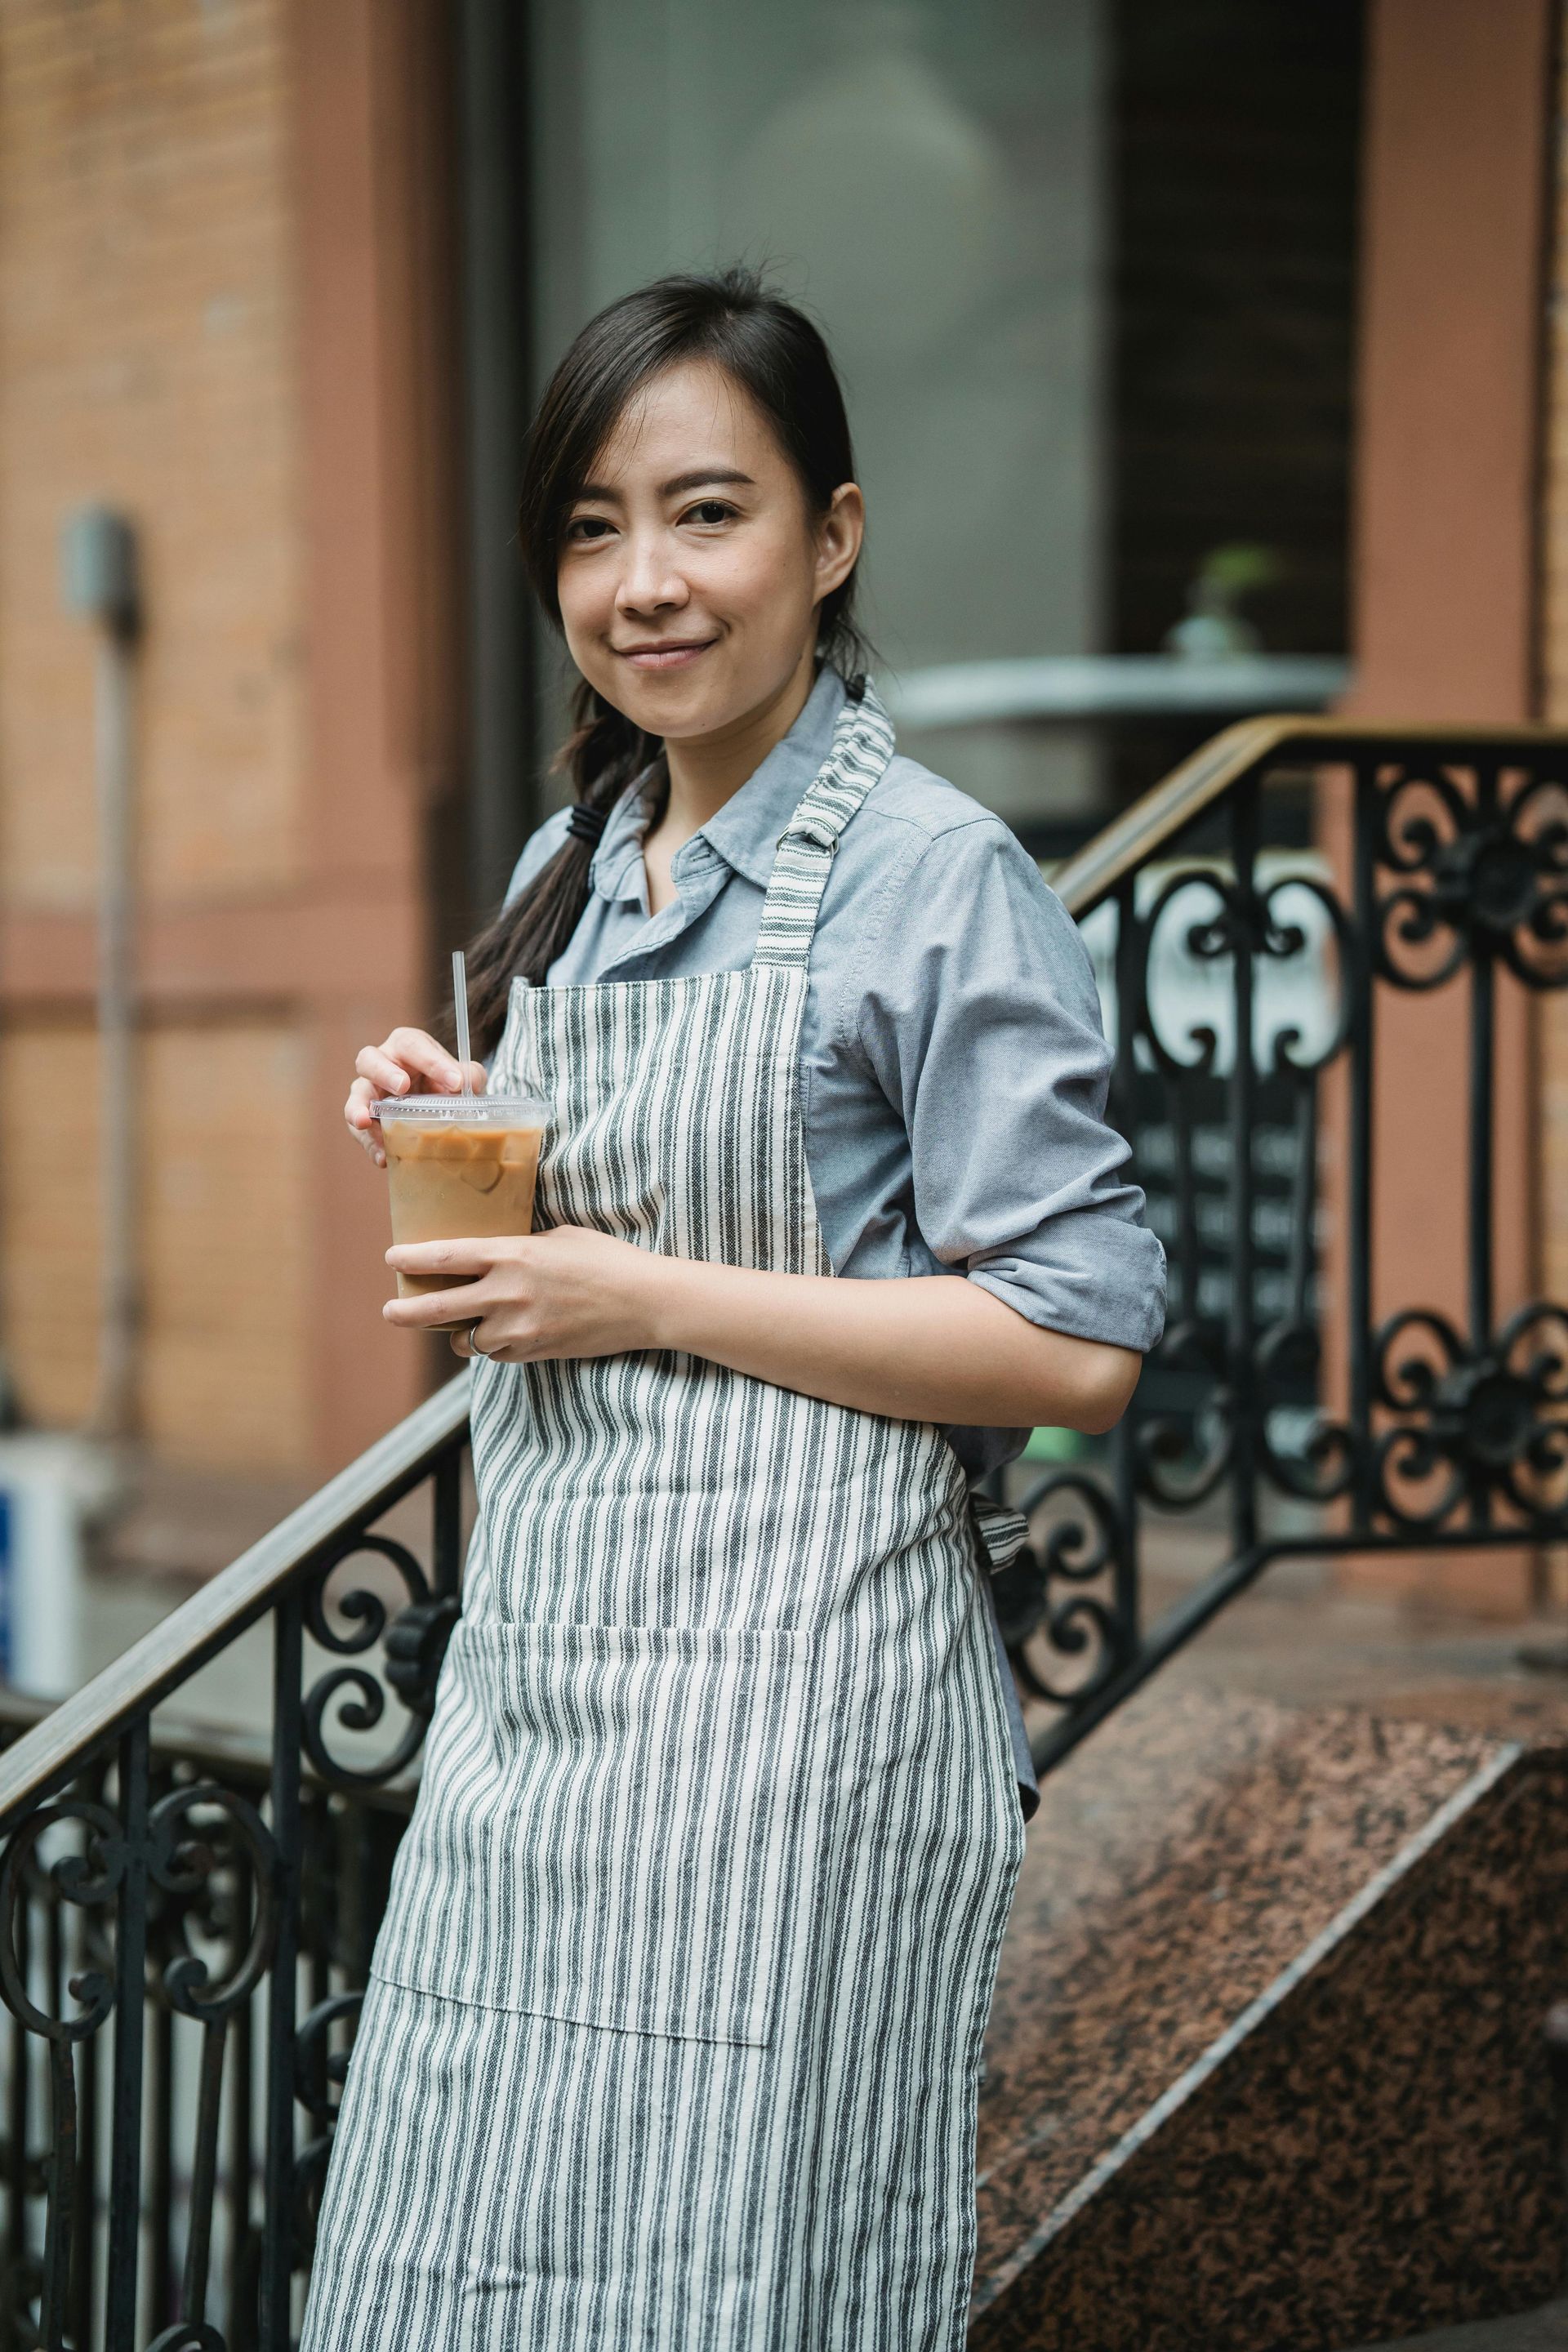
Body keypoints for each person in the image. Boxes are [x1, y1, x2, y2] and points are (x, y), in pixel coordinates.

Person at [306, 268, 1165, 2352]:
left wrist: (634, 1290)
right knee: (466, 2253)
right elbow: (612, 1219)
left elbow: (1077, 1345)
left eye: (709, 512)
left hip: (794, 1738)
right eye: (592, 529)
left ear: (832, 537)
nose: (646, 584)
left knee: (734, 2280)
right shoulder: (579, 856)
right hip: (544, 1701)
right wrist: (459, 1113)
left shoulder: (935, 878)